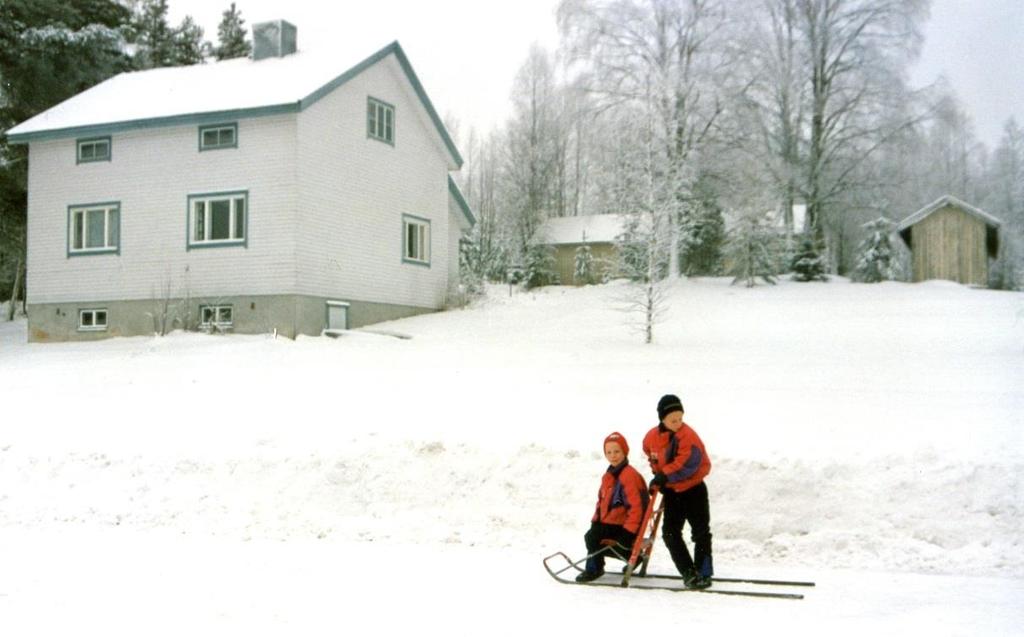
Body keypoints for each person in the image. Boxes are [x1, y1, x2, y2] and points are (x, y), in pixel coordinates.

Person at [643, 394, 713, 589]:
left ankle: (704, 571)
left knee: (701, 532)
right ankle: (688, 572)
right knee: (670, 532)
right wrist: (658, 476)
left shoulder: (688, 436)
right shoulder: (651, 437)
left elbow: (687, 463)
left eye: (680, 419)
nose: (678, 423)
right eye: (673, 420)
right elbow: (651, 455)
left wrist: (664, 476)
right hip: (673, 493)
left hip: (694, 490)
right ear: (662, 419)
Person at [576, 432, 649, 583]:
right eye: (608, 452)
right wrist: (596, 520)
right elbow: (601, 502)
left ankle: (594, 569)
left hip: (622, 526)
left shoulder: (628, 475)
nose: (613, 455)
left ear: (624, 452)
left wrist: (628, 533)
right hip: (613, 522)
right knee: (593, 533)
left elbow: (636, 508)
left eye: (617, 451)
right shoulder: (611, 474)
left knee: (592, 537)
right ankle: (629, 557)